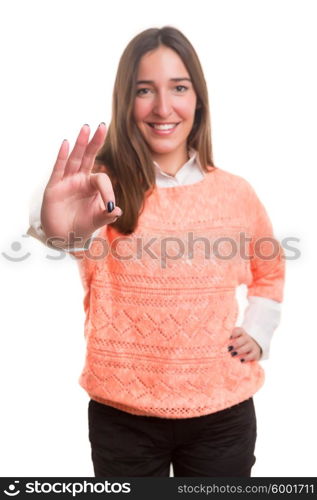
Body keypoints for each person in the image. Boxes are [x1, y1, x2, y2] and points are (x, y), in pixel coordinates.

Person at [27, 26, 285, 477]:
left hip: (221, 417)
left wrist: (258, 331)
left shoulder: (236, 193)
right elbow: (66, 236)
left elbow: (270, 269)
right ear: (126, 100)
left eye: (179, 88)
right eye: (145, 90)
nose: (163, 108)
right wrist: (55, 229)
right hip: (123, 418)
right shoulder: (99, 187)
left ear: (198, 99)